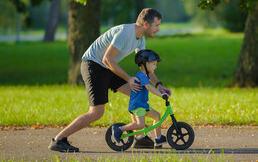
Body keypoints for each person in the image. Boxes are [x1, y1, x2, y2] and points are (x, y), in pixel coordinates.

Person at [48, 8, 172, 152]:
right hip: (93, 65)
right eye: (156, 25)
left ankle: (139, 138)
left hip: (107, 67)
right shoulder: (125, 34)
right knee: (96, 112)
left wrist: (158, 85)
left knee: (135, 94)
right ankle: (58, 140)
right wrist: (128, 78)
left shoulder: (140, 39)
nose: (158, 29)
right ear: (145, 24)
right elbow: (107, 58)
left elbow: (145, 67)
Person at [112, 49, 169, 148]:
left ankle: (158, 138)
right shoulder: (141, 76)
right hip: (138, 106)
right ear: (144, 64)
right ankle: (119, 129)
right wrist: (161, 95)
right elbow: (149, 87)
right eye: (154, 64)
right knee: (140, 125)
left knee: (157, 116)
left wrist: (161, 91)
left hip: (143, 105)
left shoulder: (145, 75)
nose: (156, 66)